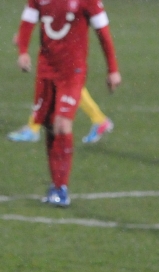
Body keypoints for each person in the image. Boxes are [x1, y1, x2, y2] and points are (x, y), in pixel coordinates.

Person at [14, 0, 121, 207]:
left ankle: (62, 189)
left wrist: (113, 69)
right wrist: (23, 51)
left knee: (62, 124)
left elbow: (103, 33)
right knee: (49, 125)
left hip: (73, 71)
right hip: (46, 69)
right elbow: (27, 21)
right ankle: (55, 185)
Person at [7, 87, 114, 144]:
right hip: (65, 48)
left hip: (64, 48)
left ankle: (33, 128)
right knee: (68, 81)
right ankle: (100, 120)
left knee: (51, 79)